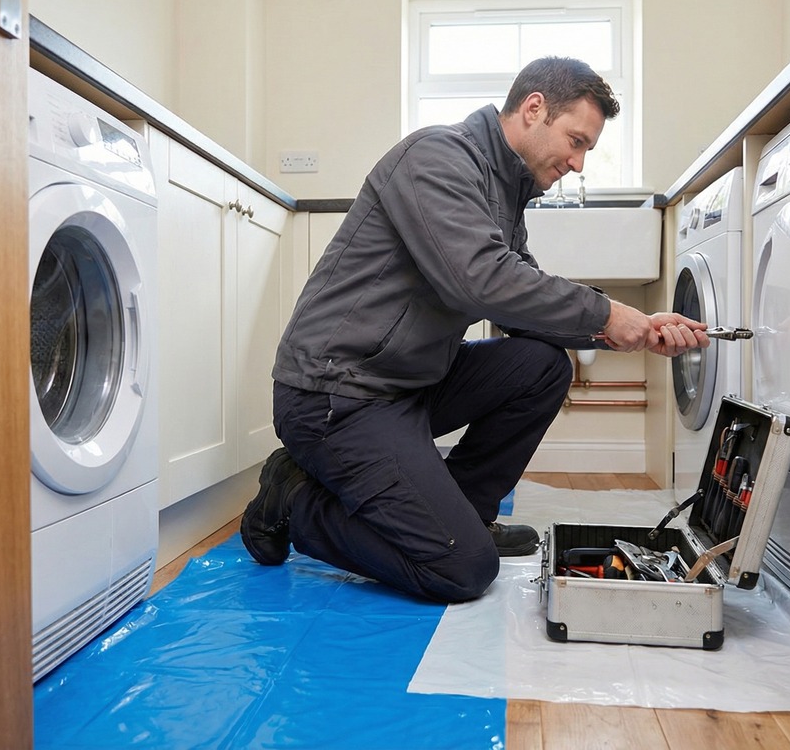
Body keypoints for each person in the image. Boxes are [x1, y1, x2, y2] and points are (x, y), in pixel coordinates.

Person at [240, 56, 709, 603]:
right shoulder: (438, 157)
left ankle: (463, 513)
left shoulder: (505, 189)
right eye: (576, 141)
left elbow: (519, 305)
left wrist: (635, 326)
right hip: (337, 395)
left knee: (541, 366)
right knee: (461, 569)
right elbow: (480, 282)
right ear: (534, 109)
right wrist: (607, 314)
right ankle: (292, 498)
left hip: (405, 385)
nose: (578, 164)